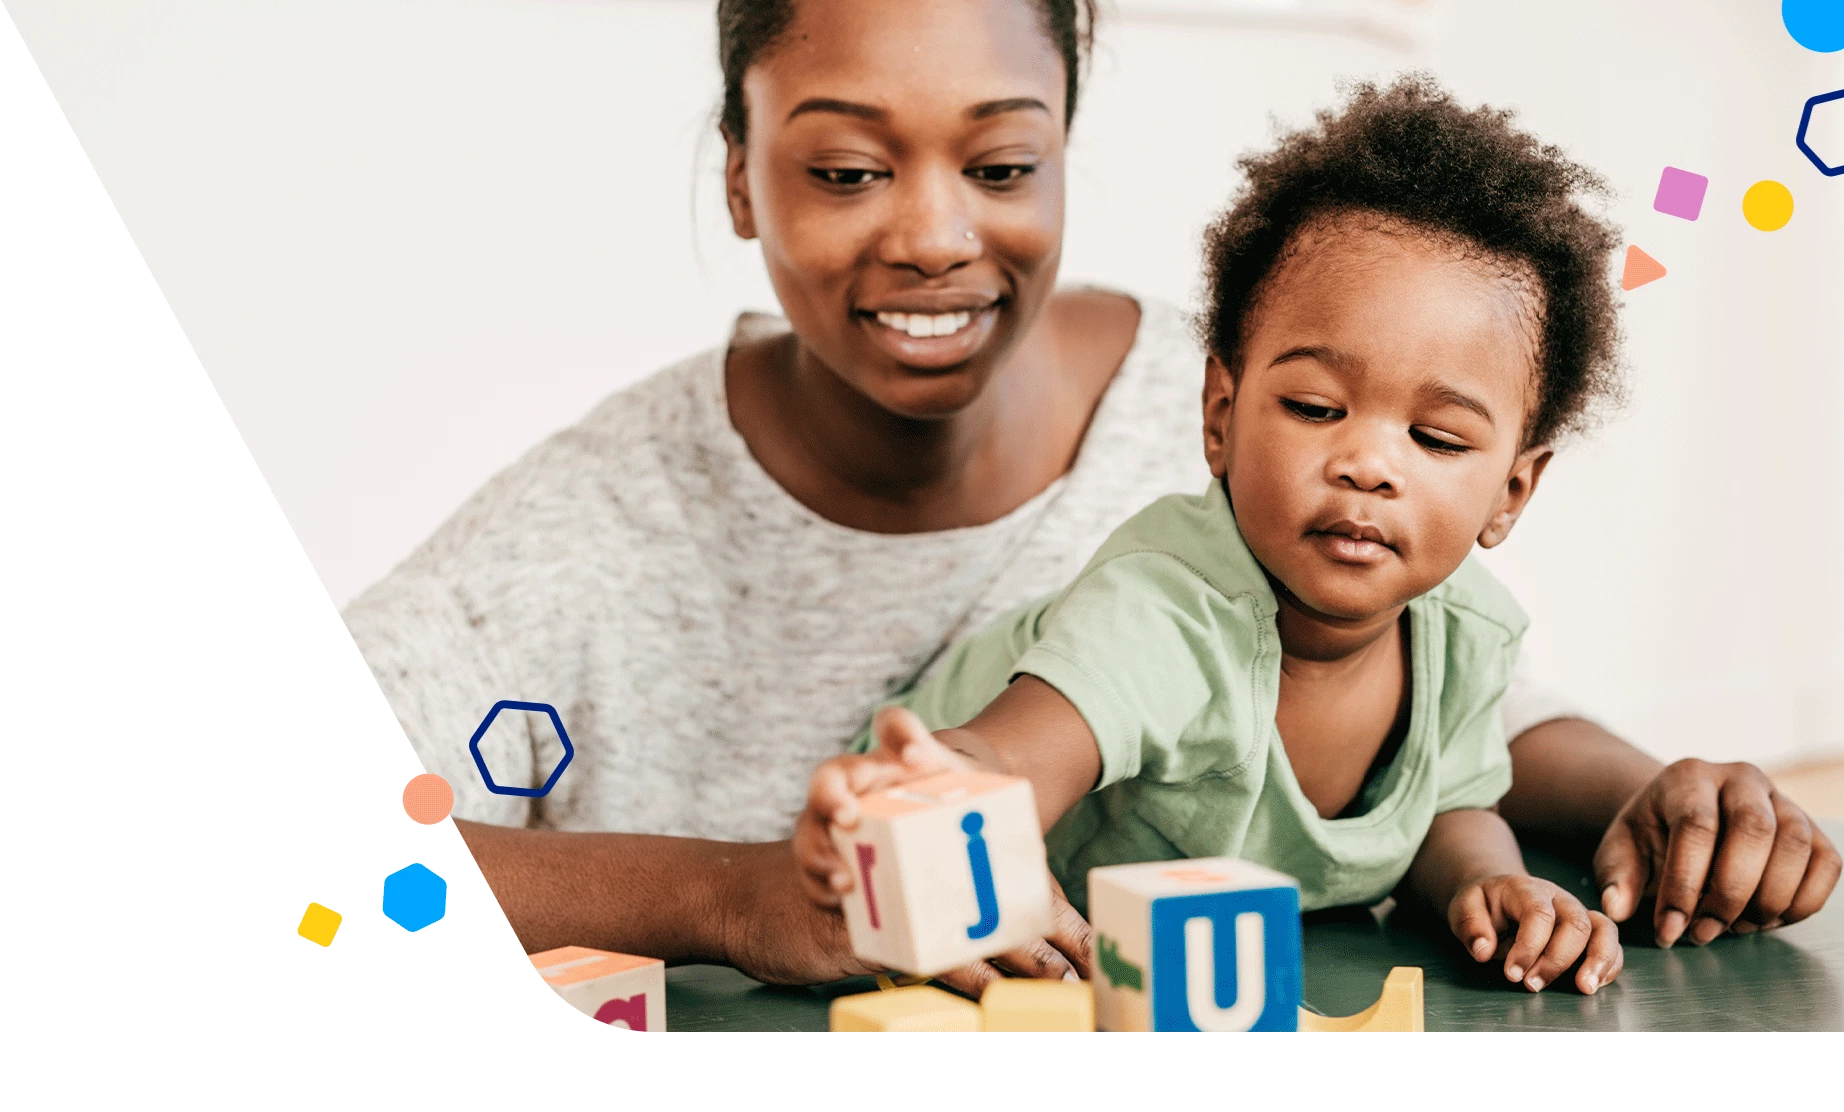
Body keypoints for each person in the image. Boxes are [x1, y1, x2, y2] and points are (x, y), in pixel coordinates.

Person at [344, 0, 1837, 995]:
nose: (934, 235)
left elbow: (1460, 705)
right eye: (847, 169)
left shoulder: (1284, 397)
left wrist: (1667, 794)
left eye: (1001, 159)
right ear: (740, 174)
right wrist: (738, 902)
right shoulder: (586, 532)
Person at [801, 75, 1638, 993]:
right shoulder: (1166, 612)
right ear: (1221, 415)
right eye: (1316, 407)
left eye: (1436, 438)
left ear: (1510, 492)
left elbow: (1443, 806)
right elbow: (1006, 757)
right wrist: (929, 790)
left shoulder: (1471, 632)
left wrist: (1490, 881)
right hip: (894, 882)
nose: (1368, 464)